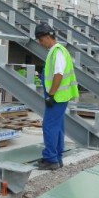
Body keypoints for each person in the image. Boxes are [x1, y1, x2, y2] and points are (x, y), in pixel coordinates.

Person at [34, 22, 79, 170]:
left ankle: (51, 159)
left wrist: (51, 95)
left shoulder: (57, 51)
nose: (41, 43)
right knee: (58, 127)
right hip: (61, 96)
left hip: (57, 96)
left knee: (49, 126)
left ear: (48, 36)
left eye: (41, 40)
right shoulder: (60, 51)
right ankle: (57, 158)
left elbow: (58, 75)